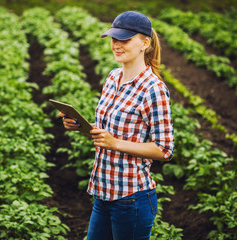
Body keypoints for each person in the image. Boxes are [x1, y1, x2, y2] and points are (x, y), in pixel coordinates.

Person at [58, 10, 174, 240]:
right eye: (114, 39)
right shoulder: (112, 78)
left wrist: (115, 143)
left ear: (144, 43)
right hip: (103, 191)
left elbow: (164, 149)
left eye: (124, 39)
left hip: (131, 197)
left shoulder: (153, 89)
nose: (116, 45)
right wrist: (81, 125)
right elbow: (110, 128)